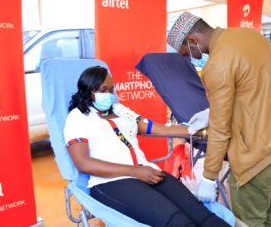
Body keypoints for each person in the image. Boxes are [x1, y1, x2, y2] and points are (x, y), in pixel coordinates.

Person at [64, 66, 230, 227]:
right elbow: (83, 163)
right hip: (111, 182)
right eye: (103, 90)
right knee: (177, 221)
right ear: (88, 90)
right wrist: (134, 171)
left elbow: (156, 128)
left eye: (111, 89)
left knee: (201, 215)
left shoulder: (120, 110)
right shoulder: (78, 117)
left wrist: (199, 131)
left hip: (149, 172)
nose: (108, 95)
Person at [167, 11, 271, 227]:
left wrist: (208, 176)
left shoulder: (216, 65)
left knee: (250, 222)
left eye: (187, 53)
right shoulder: (251, 36)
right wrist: (211, 111)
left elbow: (220, 130)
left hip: (260, 157)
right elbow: (257, 88)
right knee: (270, 214)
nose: (191, 58)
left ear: (192, 40)